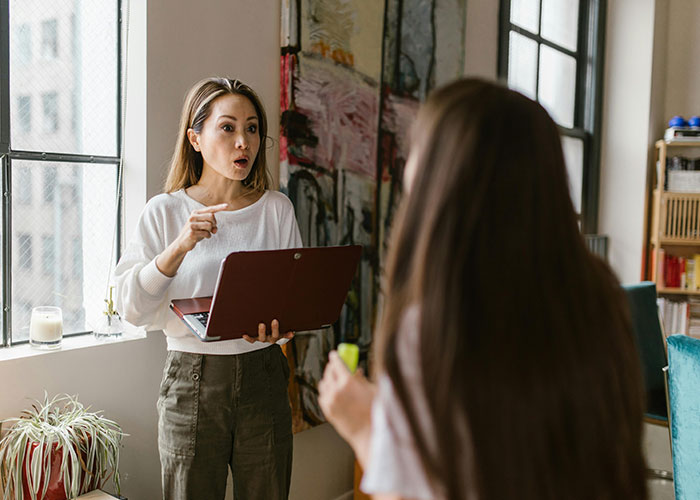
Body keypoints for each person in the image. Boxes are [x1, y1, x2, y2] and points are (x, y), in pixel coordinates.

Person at [318, 79, 648, 500]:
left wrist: (366, 430)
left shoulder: (433, 326)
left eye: (419, 145)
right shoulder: (600, 297)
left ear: (443, 172)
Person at [114, 77, 301, 500]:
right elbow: (132, 308)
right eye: (229, 127)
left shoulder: (277, 209)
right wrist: (179, 246)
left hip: (264, 376)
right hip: (191, 381)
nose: (244, 142)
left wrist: (284, 330)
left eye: (252, 128)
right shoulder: (164, 212)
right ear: (195, 138)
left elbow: (291, 304)